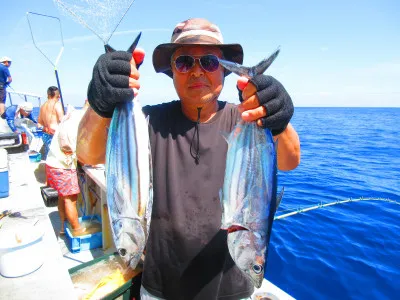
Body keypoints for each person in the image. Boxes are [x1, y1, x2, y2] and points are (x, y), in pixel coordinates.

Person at [77, 18, 301, 300]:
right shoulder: (147, 121)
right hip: (160, 290)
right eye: (184, 62)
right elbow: (87, 153)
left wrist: (278, 122)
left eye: (209, 61)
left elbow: (290, 160)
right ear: (172, 71)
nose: (197, 72)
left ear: (224, 70)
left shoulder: (248, 120)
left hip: (232, 291)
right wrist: (100, 103)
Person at [46, 100, 89, 236]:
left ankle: (63, 228)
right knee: (70, 200)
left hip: (52, 163)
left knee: (62, 197)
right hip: (63, 167)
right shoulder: (80, 121)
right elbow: (69, 148)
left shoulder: (71, 115)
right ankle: (77, 231)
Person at [37, 86, 64, 159]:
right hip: (54, 134)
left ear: (48, 95)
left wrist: (45, 128)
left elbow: (39, 123)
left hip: (45, 134)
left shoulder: (43, 106)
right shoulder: (57, 104)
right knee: (56, 157)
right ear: (58, 96)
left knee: (48, 155)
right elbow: (62, 120)